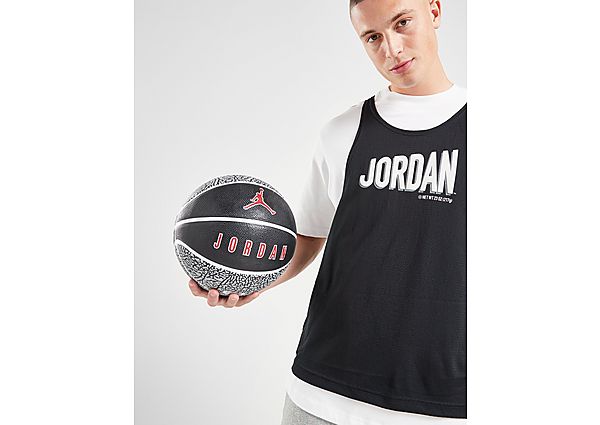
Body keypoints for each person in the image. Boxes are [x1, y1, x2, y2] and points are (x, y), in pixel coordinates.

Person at [188, 0, 466, 422]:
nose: (391, 49)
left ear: (435, 11)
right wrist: (247, 278)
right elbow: (308, 234)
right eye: (372, 37)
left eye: (402, 23)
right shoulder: (343, 132)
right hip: (320, 393)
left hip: (437, 402)